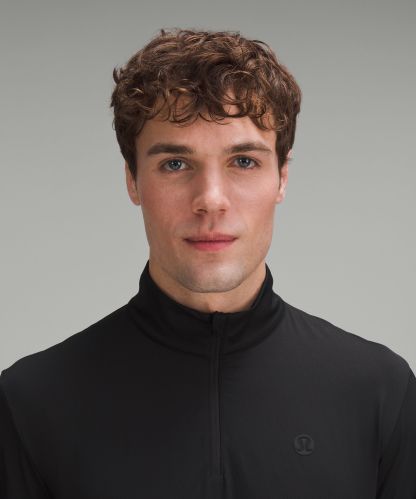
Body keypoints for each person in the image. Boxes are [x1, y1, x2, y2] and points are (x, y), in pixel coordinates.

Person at [1, 28, 415, 499]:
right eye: (175, 164)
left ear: (282, 177)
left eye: (244, 161)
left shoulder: (380, 392)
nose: (211, 200)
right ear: (133, 181)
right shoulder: (32, 403)